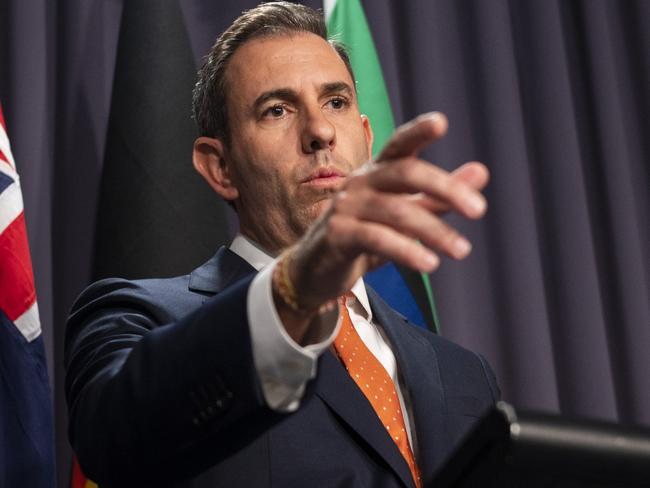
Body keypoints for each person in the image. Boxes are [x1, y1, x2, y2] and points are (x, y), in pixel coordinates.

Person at [65, 3, 499, 487]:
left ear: (367, 137)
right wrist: (296, 288)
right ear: (219, 167)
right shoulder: (136, 316)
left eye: (336, 102)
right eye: (277, 110)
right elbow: (112, 444)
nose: (320, 132)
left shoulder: (465, 374)